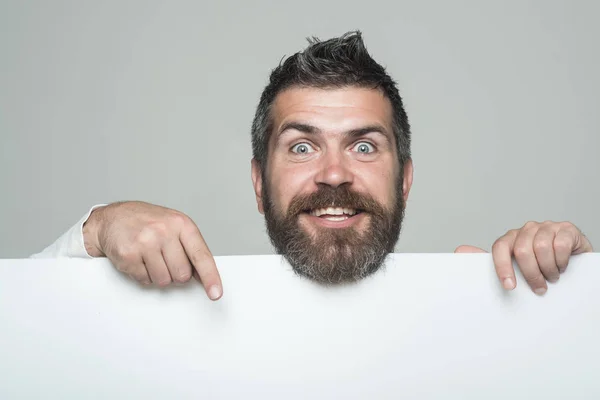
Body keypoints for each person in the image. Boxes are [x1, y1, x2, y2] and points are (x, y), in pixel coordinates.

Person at [32, 31, 593, 301]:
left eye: (364, 146)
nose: (332, 173)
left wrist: (581, 290)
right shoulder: (168, 339)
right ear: (258, 182)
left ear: (405, 179)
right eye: (302, 146)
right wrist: (96, 229)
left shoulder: (493, 314)